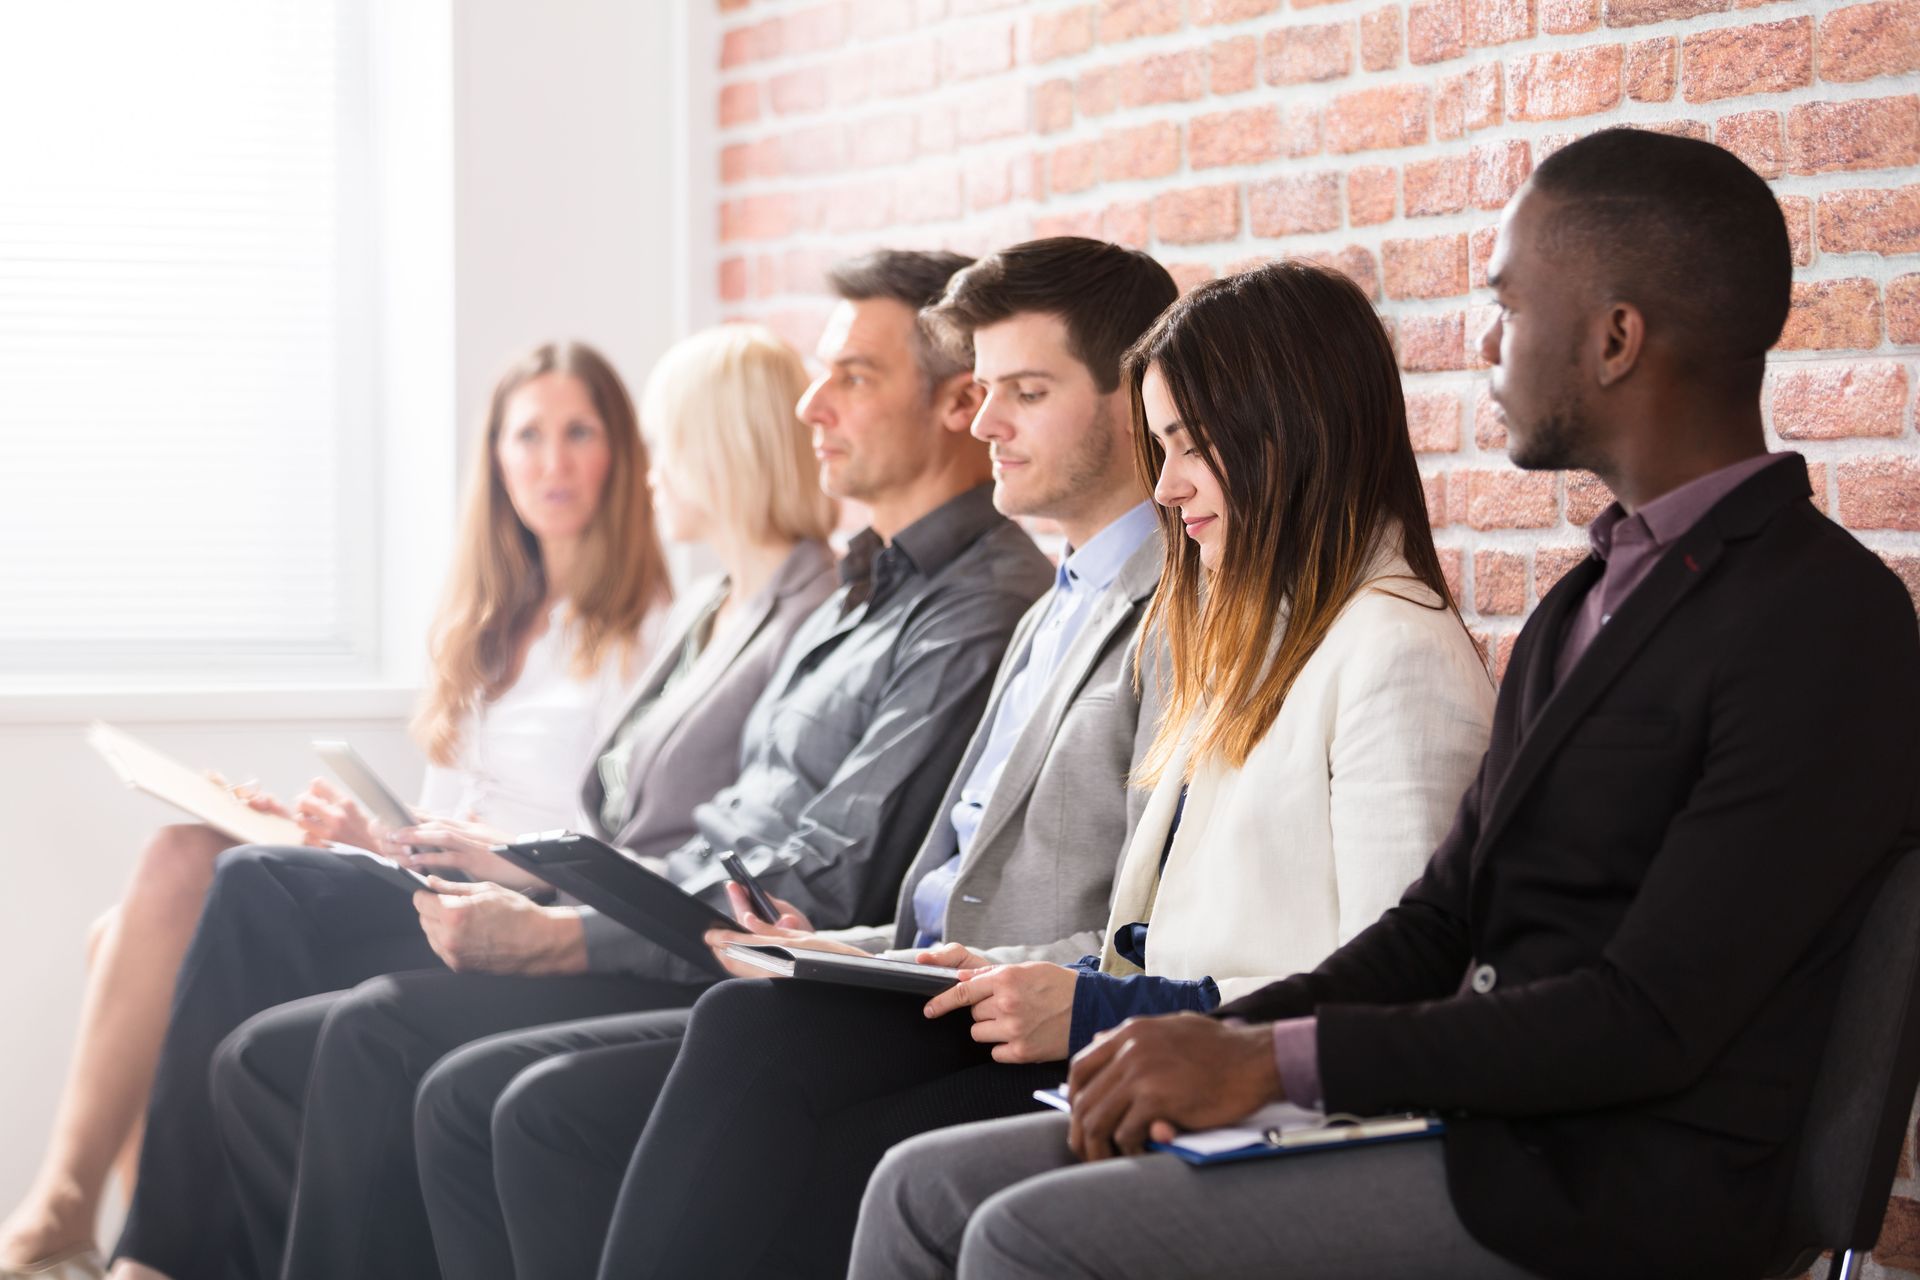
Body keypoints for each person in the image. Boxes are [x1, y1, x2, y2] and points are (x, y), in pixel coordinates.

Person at [852, 129, 1920, 1280]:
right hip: (1495, 1131)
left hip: (1619, 1187)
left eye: (1509, 304)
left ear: (1616, 338)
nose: (1482, 341)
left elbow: (1651, 1014)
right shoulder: (1584, 601)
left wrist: (1275, 1065)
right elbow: (1435, 922)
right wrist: (1214, 1035)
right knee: (923, 1187)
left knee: (1024, 1235)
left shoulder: (1820, 618)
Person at [591, 255, 1497, 1279]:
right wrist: (1030, 977)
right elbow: (1144, 930)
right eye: (1164, 449)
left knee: (854, 1135)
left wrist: (1104, 1005)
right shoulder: (1259, 639)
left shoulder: (1396, 654)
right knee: (796, 1073)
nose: (1166, 487)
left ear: (1292, 435)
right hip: (1152, 1046)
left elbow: (1391, 1001)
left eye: (1192, 448)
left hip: (1256, 1095)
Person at [193, 251, 1056, 1280]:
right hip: (694, 926)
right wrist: (534, 873)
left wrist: (564, 932)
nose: (812, 404)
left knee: (408, 1050)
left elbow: (822, 876)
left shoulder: (979, 602)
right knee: (278, 1007)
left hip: (753, 961)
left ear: (955, 404)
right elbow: (722, 827)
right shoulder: (858, 589)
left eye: (852, 377)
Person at [409, 235, 1180, 1280]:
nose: (989, 418)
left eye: (1022, 391)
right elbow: (925, 881)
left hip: (1001, 1008)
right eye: (987, 389)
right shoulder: (1051, 600)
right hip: (899, 971)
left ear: (1132, 400)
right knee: (526, 1086)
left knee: (676, 1051)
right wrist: (855, 948)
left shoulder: (1117, 607)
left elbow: (1146, 906)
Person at [100, 323, 841, 1280]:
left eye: (597, 436)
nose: (630, 471)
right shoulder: (683, 614)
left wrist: (514, 867)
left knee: (251, 895)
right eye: (526, 437)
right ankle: (156, 1253)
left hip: (568, 903)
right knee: (221, 908)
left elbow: (651, 830)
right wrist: (377, 840)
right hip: (514, 873)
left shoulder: (688, 617)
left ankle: (147, 1259)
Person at [0, 339, 670, 1280]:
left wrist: (425, 859)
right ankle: (107, 1231)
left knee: (195, 885)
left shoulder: (646, 632)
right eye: (529, 436)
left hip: (524, 914)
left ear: (621, 453)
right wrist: (354, 838)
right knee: (151, 894)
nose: (552, 462)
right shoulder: (488, 626)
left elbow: (614, 840)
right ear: (496, 457)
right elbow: (434, 825)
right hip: (429, 880)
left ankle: (116, 1244)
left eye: (578, 433)